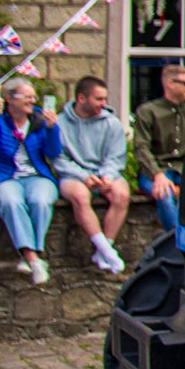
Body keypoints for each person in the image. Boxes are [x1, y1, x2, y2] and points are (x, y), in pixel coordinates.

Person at [53, 76, 129, 274]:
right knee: (79, 196)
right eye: (98, 99)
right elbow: (58, 159)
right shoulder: (60, 123)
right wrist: (83, 176)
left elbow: (116, 156)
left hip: (104, 173)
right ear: (81, 98)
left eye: (105, 99)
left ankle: (103, 252)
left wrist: (107, 177)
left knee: (121, 194)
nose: (103, 104)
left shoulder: (111, 123)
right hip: (73, 175)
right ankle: (106, 250)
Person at [0, 79, 62, 286]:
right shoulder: (0, 121)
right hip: (6, 177)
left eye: (33, 96)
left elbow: (53, 153)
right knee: (10, 202)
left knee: (40, 200)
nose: (32, 101)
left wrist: (52, 129)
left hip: (37, 175)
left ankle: (30, 256)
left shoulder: (39, 122)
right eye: (27, 96)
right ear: (9, 99)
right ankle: (33, 258)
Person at [133, 63, 185, 233]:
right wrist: (157, 174)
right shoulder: (148, 111)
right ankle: (176, 242)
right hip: (157, 169)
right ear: (170, 84)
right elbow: (141, 148)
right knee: (164, 194)